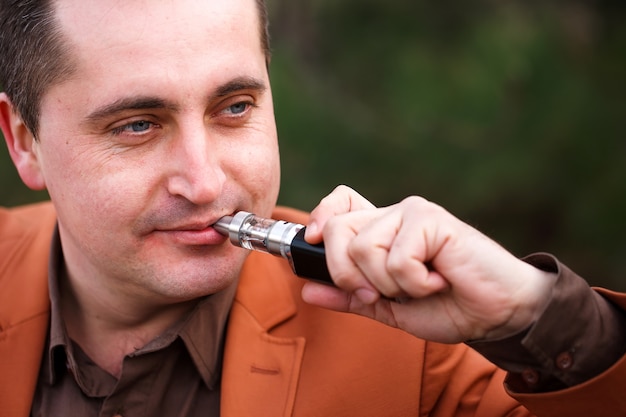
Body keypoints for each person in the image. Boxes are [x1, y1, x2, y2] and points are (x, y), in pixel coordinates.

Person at [0, 0, 625, 416]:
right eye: (137, 125)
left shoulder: (414, 345)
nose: (205, 180)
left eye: (235, 107)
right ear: (25, 142)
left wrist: (539, 317)